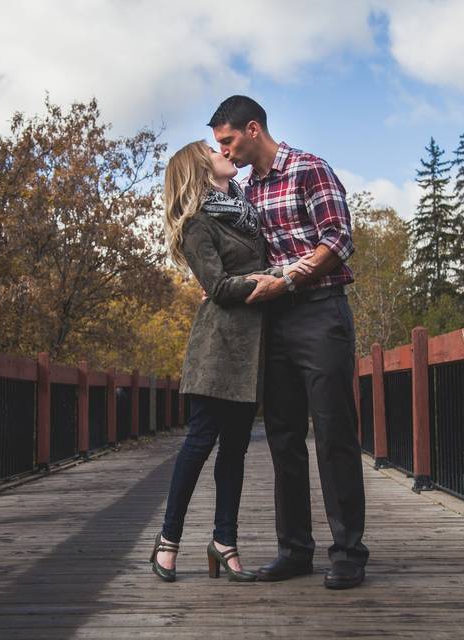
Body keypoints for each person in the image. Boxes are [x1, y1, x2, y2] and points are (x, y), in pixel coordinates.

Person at [208, 95, 369, 589]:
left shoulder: (308, 169)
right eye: (219, 145)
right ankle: (295, 550)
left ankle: (347, 553)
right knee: (283, 438)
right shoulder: (244, 192)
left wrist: (290, 281)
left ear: (253, 129)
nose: (226, 151)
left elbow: (338, 239)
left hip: (321, 314)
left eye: (228, 140)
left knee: (334, 434)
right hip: (272, 323)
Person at [151, 140, 309, 583]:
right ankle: (167, 541)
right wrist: (275, 277)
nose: (225, 152)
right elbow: (218, 286)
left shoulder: (245, 211)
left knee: (236, 449)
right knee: (199, 443)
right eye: (214, 151)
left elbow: (256, 263)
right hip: (218, 347)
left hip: (252, 347)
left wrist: (276, 271)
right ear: (203, 170)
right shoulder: (198, 224)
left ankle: (224, 542)